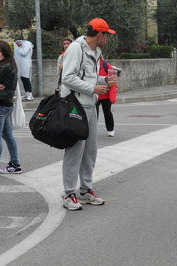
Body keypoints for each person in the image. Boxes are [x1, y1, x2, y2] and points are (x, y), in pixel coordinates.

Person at [61, 18, 116, 210]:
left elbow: (88, 77)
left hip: (90, 106)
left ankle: (85, 190)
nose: (108, 39)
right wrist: (93, 88)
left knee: (90, 150)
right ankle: (69, 194)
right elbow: (67, 78)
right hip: (76, 106)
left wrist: (105, 79)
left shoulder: (95, 51)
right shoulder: (76, 48)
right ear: (100, 34)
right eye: (107, 35)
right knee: (75, 150)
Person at [0, 40, 22, 178]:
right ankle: (15, 164)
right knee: (6, 135)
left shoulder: (4, 66)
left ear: (6, 52)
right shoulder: (7, 65)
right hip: (5, 104)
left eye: (0, 51)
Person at [96, 57, 117, 137]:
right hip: (95, 93)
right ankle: (93, 130)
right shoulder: (91, 65)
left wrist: (108, 86)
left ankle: (110, 130)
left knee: (107, 112)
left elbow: (112, 79)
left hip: (105, 94)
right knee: (94, 113)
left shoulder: (105, 65)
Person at [13, 36, 34, 101]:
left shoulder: (27, 44)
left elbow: (23, 53)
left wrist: (19, 47)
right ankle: (26, 92)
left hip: (25, 64)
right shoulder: (20, 46)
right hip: (20, 64)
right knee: (23, 78)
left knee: (26, 78)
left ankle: (30, 93)